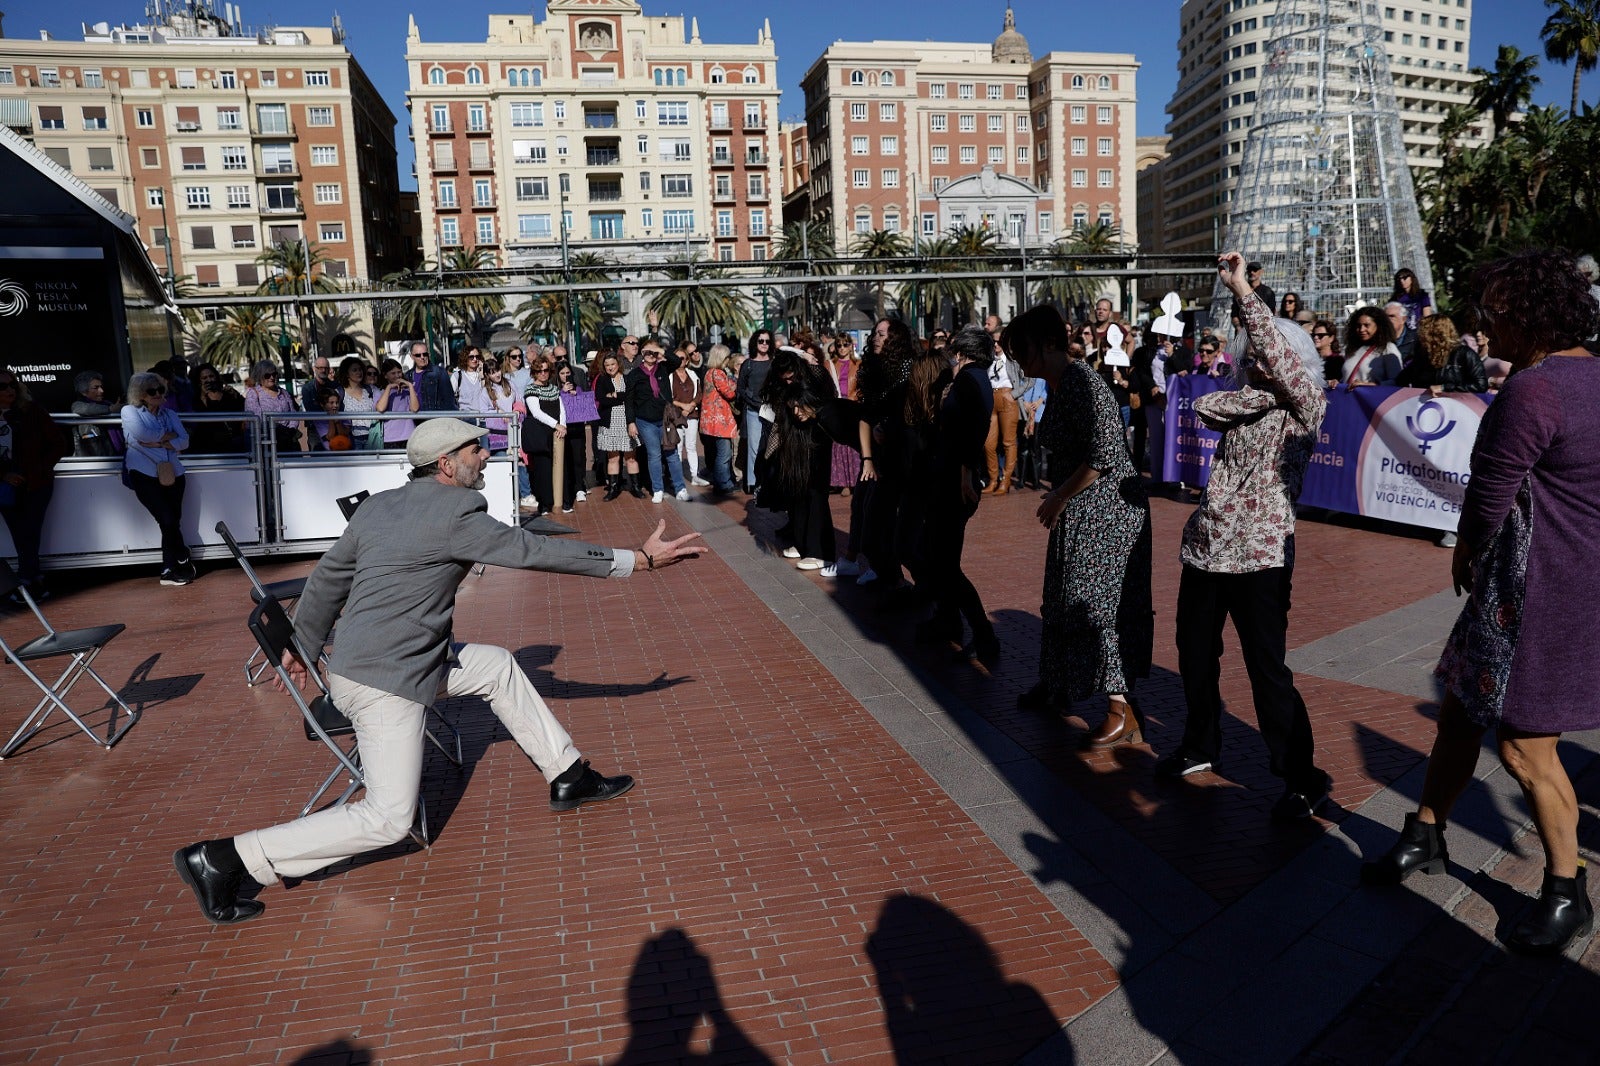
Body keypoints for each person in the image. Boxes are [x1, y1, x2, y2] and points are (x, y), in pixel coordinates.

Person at [171, 416, 707, 925]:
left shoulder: (380, 506)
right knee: (387, 818)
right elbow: (533, 550)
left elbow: (328, 577)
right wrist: (637, 559)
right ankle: (226, 858)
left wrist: (304, 642)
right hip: (386, 679)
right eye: (476, 449)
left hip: (387, 660)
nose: (486, 455)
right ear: (446, 464)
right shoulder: (456, 514)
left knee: (495, 665)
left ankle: (569, 776)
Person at [1362, 250, 1599, 956]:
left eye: (1494, 315)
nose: (1483, 330)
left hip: (1538, 591)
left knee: (1527, 747)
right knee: (1462, 713)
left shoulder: (1535, 390)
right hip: (1565, 583)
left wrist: (1464, 555)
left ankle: (1568, 890)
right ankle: (1428, 833)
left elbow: (1489, 496)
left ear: (1529, 316)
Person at [1157, 252, 1331, 823]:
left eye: (1267, 352)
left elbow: (1276, 361)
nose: (1256, 357)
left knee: (1267, 669)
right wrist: (1241, 316)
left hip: (1261, 554)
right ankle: (1200, 744)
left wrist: (1243, 293)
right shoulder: (1241, 403)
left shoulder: (1305, 408)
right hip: (1207, 547)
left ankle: (1302, 777)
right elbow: (1206, 402)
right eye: (1252, 352)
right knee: (1193, 655)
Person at [1003, 306, 1153, 746]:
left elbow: (1104, 452)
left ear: (1048, 344)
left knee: (1097, 605)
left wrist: (1059, 495)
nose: (1019, 360)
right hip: (1081, 509)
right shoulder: (1059, 384)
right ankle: (1057, 684)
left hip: (1107, 513)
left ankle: (1120, 709)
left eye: (1023, 351)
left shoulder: (1083, 382)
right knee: (1062, 596)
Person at [919, 326, 998, 665]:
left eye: (955, 348)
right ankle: (951, 621)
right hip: (949, 475)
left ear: (964, 350)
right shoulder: (973, 377)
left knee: (946, 562)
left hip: (955, 479)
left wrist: (966, 471)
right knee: (939, 556)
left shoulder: (970, 379)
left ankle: (983, 634)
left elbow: (974, 428)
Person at [121, 371, 194, 586]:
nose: (158, 394)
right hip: (143, 473)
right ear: (140, 394)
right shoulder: (129, 411)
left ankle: (168, 569)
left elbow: (185, 440)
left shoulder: (169, 414)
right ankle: (181, 553)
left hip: (174, 473)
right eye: (151, 391)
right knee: (167, 519)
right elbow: (144, 435)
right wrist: (169, 438)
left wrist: (162, 442)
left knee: (171, 522)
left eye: (160, 389)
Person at [0, 372, 68, 599]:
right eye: (2, 386)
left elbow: (58, 444)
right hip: (6, 486)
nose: (9, 390)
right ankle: (33, 580)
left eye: (12, 385)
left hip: (36, 484)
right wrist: (4, 474)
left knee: (30, 532)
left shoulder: (32, 411)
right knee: (20, 534)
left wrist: (38, 470)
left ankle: (27, 581)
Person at [626, 340, 689, 505]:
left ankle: (680, 488)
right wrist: (631, 422)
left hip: (665, 420)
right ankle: (658, 489)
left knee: (672, 454)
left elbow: (676, 361)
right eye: (647, 352)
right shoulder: (634, 375)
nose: (651, 355)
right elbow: (629, 401)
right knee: (654, 455)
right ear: (642, 354)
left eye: (653, 353)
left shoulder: (663, 368)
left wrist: (659, 349)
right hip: (645, 421)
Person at [521, 355, 567, 516]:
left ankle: (561, 501)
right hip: (540, 436)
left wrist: (563, 426)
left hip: (557, 434)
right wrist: (556, 425)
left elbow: (561, 409)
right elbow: (536, 412)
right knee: (543, 470)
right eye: (539, 371)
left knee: (561, 468)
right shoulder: (531, 390)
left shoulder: (554, 389)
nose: (543, 374)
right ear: (534, 372)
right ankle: (545, 504)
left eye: (546, 370)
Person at [595, 350, 643, 500]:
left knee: (631, 457)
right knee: (613, 458)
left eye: (613, 364)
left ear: (618, 364)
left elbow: (632, 398)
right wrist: (620, 397)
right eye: (607, 365)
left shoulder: (628, 378)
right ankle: (613, 488)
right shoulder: (602, 380)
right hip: (609, 423)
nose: (610, 367)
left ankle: (635, 487)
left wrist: (615, 395)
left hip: (626, 421)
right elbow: (602, 399)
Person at [1396, 316, 1488, 394]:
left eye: (1424, 333)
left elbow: (1481, 385)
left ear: (1437, 335)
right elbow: (1401, 380)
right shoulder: (1422, 357)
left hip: (1457, 411)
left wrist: (1445, 388)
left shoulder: (1464, 354)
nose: (1420, 336)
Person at [697, 344, 739, 494]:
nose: (728, 360)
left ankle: (719, 480)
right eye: (727, 357)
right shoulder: (719, 374)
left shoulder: (708, 372)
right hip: (719, 421)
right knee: (724, 454)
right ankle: (724, 484)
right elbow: (729, 393)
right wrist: (735, 382)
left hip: (710, 421)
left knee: (717, 453)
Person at [736, 331, 774, 493]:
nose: (764, 344)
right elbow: (741, 389)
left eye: (767, 341)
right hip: (753, 411)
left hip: (772, 410)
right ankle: (753, 483)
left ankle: (769, 481)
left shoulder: (774, 363)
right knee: (753, 448)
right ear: (755, 343)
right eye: (761, 341)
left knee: (771, 447)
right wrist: (754, 403)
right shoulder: (748, 364)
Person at [983, 334, 1022, 495]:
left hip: (1007, 397)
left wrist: (1014, 394)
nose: (996, 345)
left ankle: (1005, 480)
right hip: (991, 398)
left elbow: (1030, 380)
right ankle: (993, 479)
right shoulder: (988, 360)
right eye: (994, 342)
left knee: (1008, 442)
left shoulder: (1013, 360)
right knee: (988, 443)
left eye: (999, 342)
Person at [244, 359, 307, 452]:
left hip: (288, 440)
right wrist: (276, 430)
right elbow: (256, 419)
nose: (272, 377)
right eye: (267, 375)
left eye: (274, 374)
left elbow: (293, 414)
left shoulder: (284, 393)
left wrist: (290, 430)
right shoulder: (253, 394)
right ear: (260, 376)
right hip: (266, 443)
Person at [190, 362, 248, 454]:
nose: (209, 380)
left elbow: (245, 406)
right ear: (199, 381)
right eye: (204, 378)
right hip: (209, 445)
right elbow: (200, 417)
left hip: (233, 443)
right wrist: (203, 397)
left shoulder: (228, 394)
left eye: (211, 376)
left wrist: (235, 394)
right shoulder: (197, 398)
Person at [1340, 307, 1402, 387]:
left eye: (1367, 325)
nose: (1362, 329)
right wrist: (1338, 383)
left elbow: (1397, 381)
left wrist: (1371, 385)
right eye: (1358, 326)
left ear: (1378, 326)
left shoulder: (1388, 349)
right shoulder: (1351, 349)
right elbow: (1347, 377)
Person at [669, 355, 706, 487]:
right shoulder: (670, 376)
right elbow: (667, 396)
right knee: (677, 447)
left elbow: (699, 393)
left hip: (692, 414)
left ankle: (694, 476)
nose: (680, 360)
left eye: (683, 358)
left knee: (691, 446)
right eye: (677, 358)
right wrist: (682, 406)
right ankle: (677, 478)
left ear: (687, 360)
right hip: (676, 415)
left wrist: (691, 405)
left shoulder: (692, 374)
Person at [68, 371, 118, 457]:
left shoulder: (107, 403)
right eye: (96, 388)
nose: (101, 391)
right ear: (83, 391)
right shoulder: (78, 405)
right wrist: (111, 409)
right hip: (96, 462)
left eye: (101, 387)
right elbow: (85, 409)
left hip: (116, 457)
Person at [375, 357, 419, 449]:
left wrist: (410, 386)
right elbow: (380, 408)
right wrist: (389, 388)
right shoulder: (380, 391)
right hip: (389, 438)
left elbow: (414, 409)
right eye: (393, 373)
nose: (397, 376)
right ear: (385, 375)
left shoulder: (407, 391)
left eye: (399, 372)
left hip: (409, 436)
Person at [335, 356, 378, 449]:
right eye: (354, 370)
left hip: (372, 437)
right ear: (346, 374)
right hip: (352, 439)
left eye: (360, 369)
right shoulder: (339, 392)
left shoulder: (370, 389)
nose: (359, 372)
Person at [408, 341, 458, 413]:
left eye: (425, 354)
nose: (422, 357)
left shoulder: (439, 372)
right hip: (414, 420)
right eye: (418, 355)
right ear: (412, 356)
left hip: (434, 419)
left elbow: (449, 400)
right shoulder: (408, 375)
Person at [1390, 267, 1434, 333]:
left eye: (1404, 278)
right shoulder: (1395, 298)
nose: (1402, 281)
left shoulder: (1422, 295)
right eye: (1399, 279)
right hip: (1403, 333)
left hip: (1419, 331)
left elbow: (1427, 316)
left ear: (1411, 279)